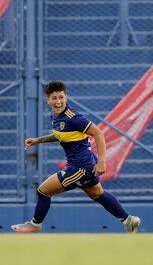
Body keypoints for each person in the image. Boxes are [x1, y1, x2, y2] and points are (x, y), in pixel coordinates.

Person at [11, 80, 141, 233]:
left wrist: (102, 161)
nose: (58, 101)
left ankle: (35, 224)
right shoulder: (56, 116)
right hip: (84, 164)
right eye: (54, 98)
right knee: (98, 194)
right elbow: (61, 135)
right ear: (48, 100)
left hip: (81, 167)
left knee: (43, 191)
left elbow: (98, 132)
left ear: (66, 98)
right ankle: (128, 220)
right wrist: (38, 140)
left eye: (61, 97)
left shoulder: (73, 117)